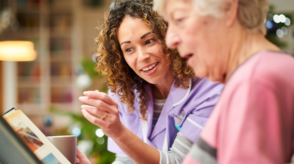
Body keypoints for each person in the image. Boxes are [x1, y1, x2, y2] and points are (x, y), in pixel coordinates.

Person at [77, 0, 224, 164]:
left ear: (169, 35)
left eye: (149, 41)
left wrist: (119, 132)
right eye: (129, 49)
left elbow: (180, 161)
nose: (142, 57)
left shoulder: (209, 89)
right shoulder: (126, 92)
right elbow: (127, 160)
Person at [153, 0, 294, 163]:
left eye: (180, 19)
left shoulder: (254, 81)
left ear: (227, 9)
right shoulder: (267, 70)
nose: (170, 40)